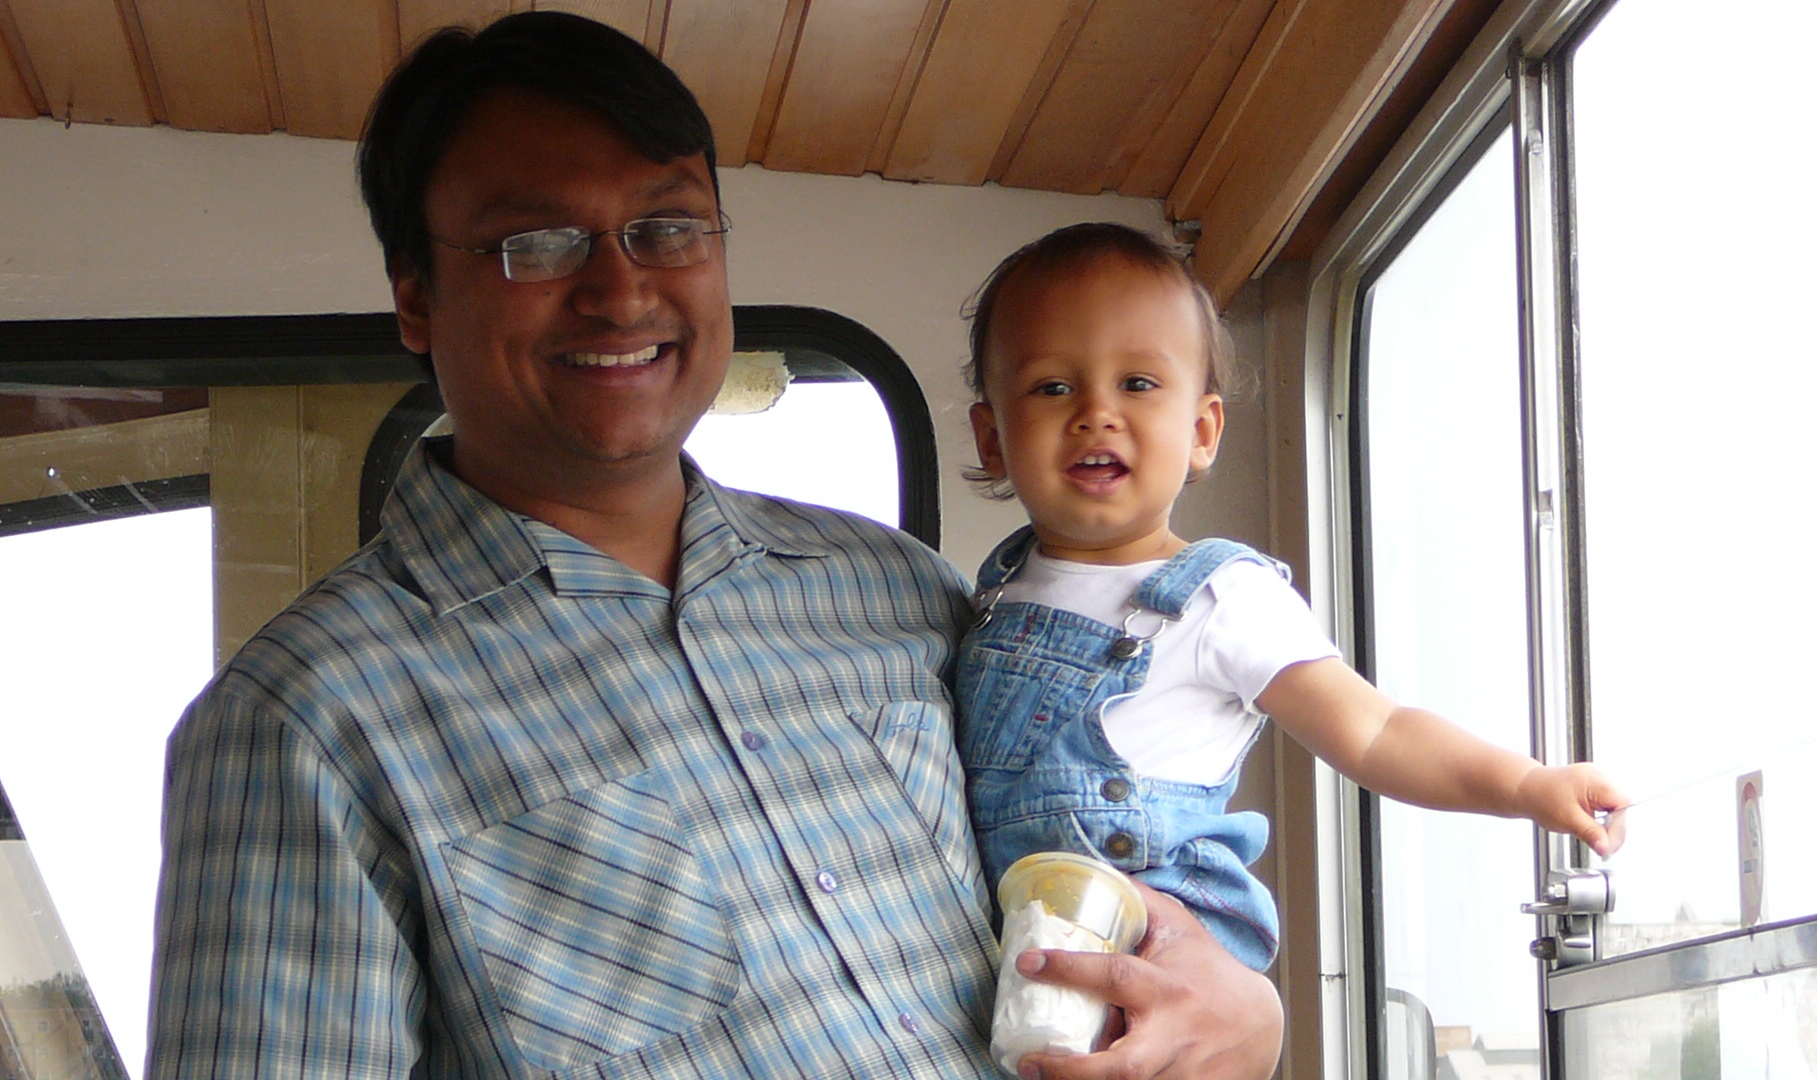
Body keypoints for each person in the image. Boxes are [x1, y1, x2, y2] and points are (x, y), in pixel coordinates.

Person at [145, 14, 1284, 1080]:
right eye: (535, 242)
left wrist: (1245, 1011)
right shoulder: (304, 719)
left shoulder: (896, 590)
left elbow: (1111, 869)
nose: (620, 286)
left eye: (669, 225)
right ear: (415, 300)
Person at [956, 222, 1629, 973]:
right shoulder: (989, 595)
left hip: (1160, 939)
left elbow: (1376, 732)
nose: (1095, 412)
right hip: (1012, 935)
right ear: (993, 439)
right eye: (1052, 387)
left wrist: (1528, 784)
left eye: (1139, 384)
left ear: (1203, 429)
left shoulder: (1221, 597)